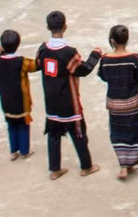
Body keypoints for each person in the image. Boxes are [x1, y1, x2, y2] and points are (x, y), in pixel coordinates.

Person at [36, 10, 102, 180]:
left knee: (53, 136)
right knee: (78, 134)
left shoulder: (42, 49)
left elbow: (38, 64)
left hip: (51, 101)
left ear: (48, 27)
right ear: (65, 27)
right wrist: (95, 55)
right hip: (69, 102)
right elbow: (83, 70)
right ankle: (86, 166)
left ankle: (55, 170)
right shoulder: (68, 52)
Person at [98, 25, 138, 180]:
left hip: (114, 105)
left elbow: (103, 76)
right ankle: (130, 163)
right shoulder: (135, 59)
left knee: (118, 134)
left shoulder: (105, 60)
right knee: (134, 133)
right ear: (127, 39)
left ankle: (124, 166)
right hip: (132, 104)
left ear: (112, 41)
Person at [0, 29, 39, 161]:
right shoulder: (22, 61)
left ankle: (13, 151)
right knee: (23, 125)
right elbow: (36, 65)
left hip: (6, 101)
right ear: (18, 45)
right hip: (21, 102)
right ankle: (24, 151)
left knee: (11, 125)